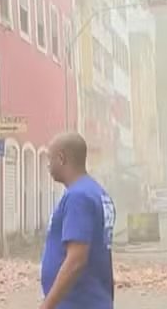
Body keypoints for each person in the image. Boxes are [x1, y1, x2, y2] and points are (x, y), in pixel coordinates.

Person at [40, 132, 116, 309]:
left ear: (61, 158)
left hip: (78, 303)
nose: (48, 165)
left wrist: (46, 306)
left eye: (50, 159)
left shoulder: (78, 197)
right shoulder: (97, 193)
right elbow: (104, 256)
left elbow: (76, 260)